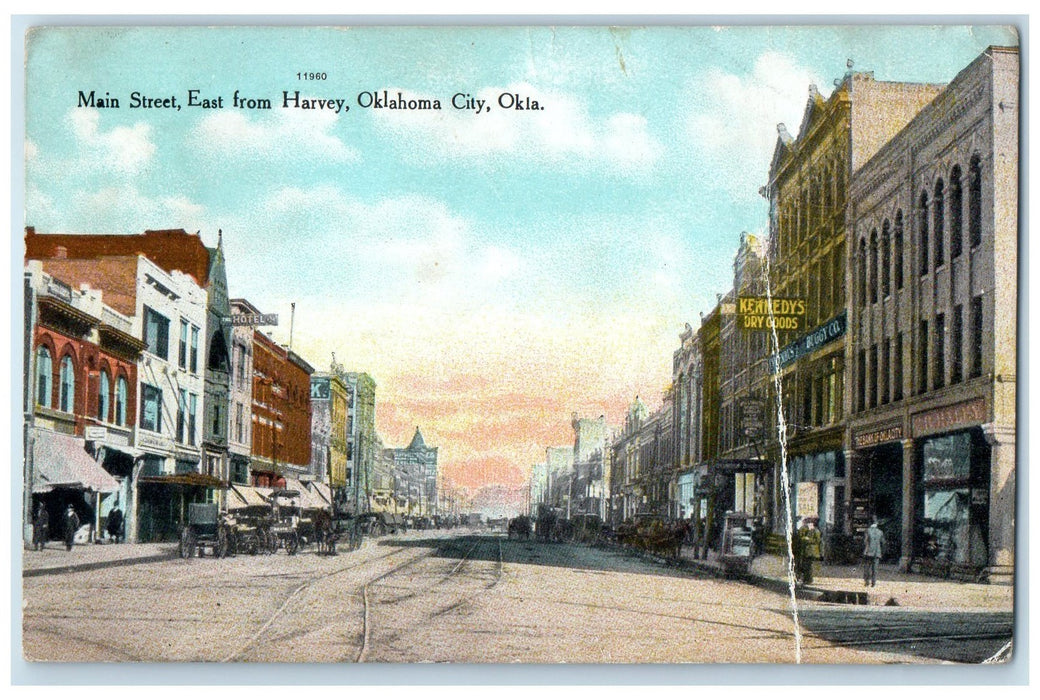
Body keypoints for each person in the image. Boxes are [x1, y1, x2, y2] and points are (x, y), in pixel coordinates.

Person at [863, 517, 887, 587]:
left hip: (868, 552)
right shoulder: (880, 532)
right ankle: (873, 583)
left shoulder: (867, 531)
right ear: (876, 524)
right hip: (877, 553)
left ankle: (867, 581)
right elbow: (883, 543)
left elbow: (865, 541)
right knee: (875, 569)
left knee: (867, 568)